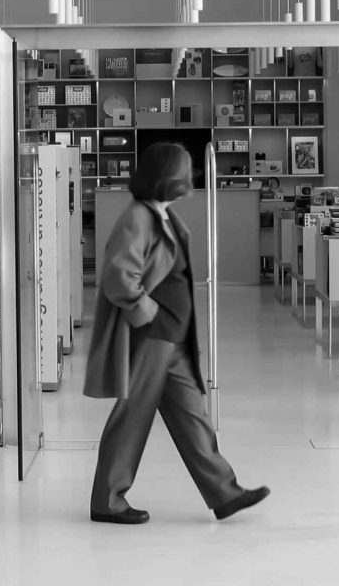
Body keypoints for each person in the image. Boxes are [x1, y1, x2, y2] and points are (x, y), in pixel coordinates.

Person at [84, 142, 269, 525]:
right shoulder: (138, 217)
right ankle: (108, 500)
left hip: (171, 338)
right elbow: (119, 276)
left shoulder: (162, 216)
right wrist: (147, 313)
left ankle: (224, 492)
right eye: (184, 172)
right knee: (133, 416)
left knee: (192, 416)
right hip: (153, 336)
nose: (191, 179)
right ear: (168, 176)